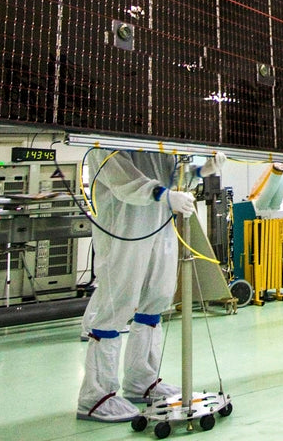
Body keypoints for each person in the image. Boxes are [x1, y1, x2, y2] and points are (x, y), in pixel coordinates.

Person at [76, 148, 202, 422]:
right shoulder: (105, 138)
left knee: (156, 298)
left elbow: (176, 177)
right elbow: (124, 181)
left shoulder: (157, 138)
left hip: (159, 223)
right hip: (123, 227)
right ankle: (96, 396)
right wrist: (164, 195)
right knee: (116, 305)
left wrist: (205, 168)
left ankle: (142, 381)